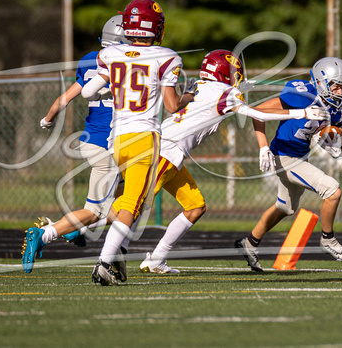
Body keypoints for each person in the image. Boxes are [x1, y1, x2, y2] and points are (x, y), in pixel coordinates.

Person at [137, 49, 330, 275]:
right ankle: (101, 248)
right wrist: (302, 113)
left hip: (168, 150)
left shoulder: (200, 85)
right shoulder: (225, 92)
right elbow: (259, 114)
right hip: (165, 151)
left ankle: (157, 259)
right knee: (131, 207)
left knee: (195, 206)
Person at [81, 0, 195, 286]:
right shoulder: (167, 57)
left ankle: (112, 260)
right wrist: (189, 97)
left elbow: (88, 92)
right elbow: (171, 106)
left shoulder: (111, 54)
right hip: (145, 138)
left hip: (116, 140)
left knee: (128, 203)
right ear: (156, 28)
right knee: (132, 205)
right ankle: (105, 263)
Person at [21, 15, 130, 274]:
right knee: (96, 211)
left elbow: (64, 98)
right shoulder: (128, 61)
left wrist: (47, 119)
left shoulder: (92, 60)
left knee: (120, 198)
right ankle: (47, 232)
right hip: (108, 142)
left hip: (92, 140)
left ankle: (76, 230)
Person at [235, 57, 342, 272]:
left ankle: (249, 243)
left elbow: (339, 135)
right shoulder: (300, 94)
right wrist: (263, 147)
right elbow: (257, 113)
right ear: (320, 82)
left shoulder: (339, 107)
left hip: (300, 157)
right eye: (336, 86)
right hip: (283, 156)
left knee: (285, 207)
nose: (340, 92)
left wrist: (338, 144)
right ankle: (328, 239)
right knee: (332, 190)